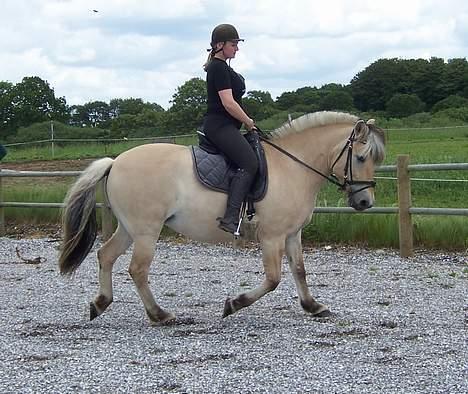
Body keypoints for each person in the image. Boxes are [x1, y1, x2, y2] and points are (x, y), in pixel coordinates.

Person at [202, 23, 259, 235]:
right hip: (220, 126)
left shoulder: (224, 67)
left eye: (236, 44)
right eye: (233, 44)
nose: (237, 48)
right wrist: (248, 121)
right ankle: (231, 217)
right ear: (219, 45)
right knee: (249, 162)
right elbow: (228, 102)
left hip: (227, 125)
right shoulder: (217, 68)